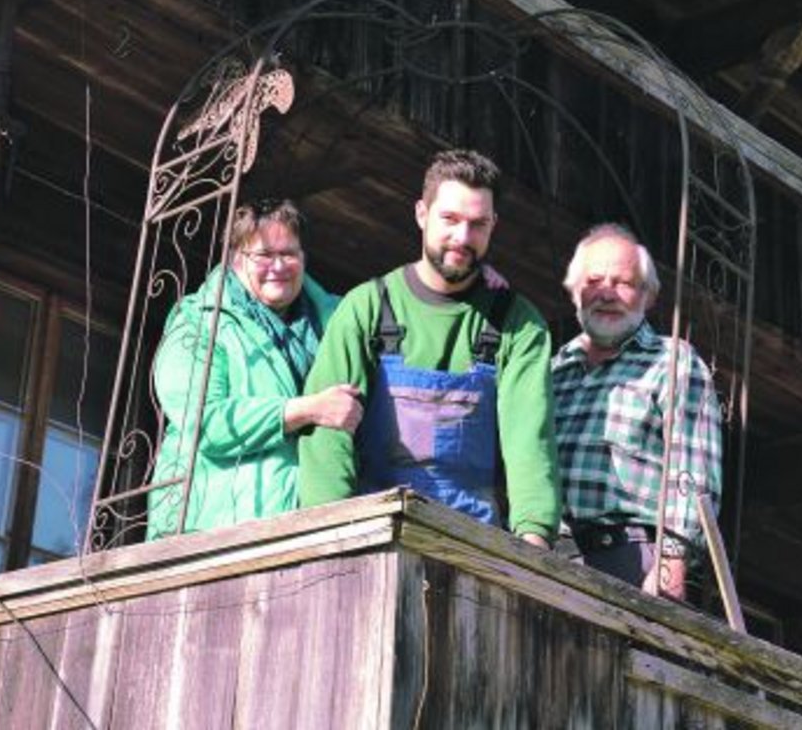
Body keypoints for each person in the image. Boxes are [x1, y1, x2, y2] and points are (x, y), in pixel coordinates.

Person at [298, 149, 561, 547]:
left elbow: (530, 437)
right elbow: (327, 435)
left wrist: (534, 536)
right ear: (422, 214)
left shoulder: (518, 324)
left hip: (475, 544)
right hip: (371, 536)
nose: (462, 237)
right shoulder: (366, 306)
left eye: (478, 224)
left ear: (494, 226)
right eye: (450, 219)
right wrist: (328, 534)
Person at [146, 200, 363, 538]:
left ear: (303, 259)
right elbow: (206, 421)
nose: (278, 266)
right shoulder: (198, 321)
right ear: (236, 261)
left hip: (305, 523)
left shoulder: (339, 321)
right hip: (208, 530)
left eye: (289, 254)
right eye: (263, 255)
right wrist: (305, 410)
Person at [552, 223, 723, 600]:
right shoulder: (555, 370)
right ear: (574, 291)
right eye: (594, 280)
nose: (607, 293)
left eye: (624, 283)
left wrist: (669, 564)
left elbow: (692, 474)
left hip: (630, 560)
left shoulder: (673, 361)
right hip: (553, 558)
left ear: (648, 297)